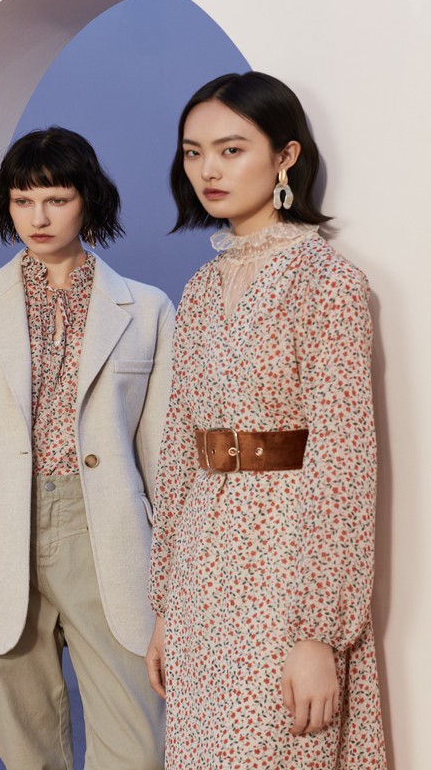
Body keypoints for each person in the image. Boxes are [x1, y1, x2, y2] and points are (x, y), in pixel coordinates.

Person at [146, 72, 386, 769]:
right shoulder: (199, 288)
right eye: (193, 153)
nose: (208, 171)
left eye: (231, 150)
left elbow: (344, 463)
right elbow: (178, 452)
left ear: (285, 157)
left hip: (286, 569)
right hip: (202, 572)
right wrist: (165, 608)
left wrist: (318, 634)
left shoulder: (326, 282)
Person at [0, 127, 173, 770]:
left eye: (56, 199)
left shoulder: (146, 309)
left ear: (88, 200)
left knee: (139, 749)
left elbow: (163, 457)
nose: (38, 217)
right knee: (25, 748)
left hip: (107, 532)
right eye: (22, 200)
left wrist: (175, 574)